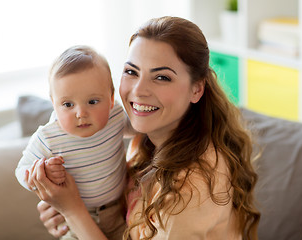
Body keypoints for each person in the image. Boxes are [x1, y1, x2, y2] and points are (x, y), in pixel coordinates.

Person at [30, 16, 260, 239]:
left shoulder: (191, 189)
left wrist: (73, 211)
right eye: (131, 72)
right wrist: (66, 212)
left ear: (196, 89)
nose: (139, 90)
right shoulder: (145, 139)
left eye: (161, 77)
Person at [15, 45, 131, 240]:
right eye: (68, 105)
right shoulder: (48, 136)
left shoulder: (116, 115)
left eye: (92, 102)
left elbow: (142, 127)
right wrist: (42, 173)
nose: (81, 113)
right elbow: (21, 171)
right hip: (73, 223)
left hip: (119, 211)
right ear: (54, 103)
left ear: (111, 99)